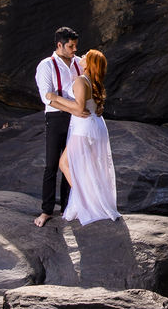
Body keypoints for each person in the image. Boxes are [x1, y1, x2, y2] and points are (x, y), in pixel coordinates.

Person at [40, 49, 119, 226]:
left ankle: (87, 200)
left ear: (89, 62)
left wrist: (54, 97)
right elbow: (92, 104)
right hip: (95, 125)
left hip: (84, 128)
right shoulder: (93, 80)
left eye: (85, 56)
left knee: (64, 163)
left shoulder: (81, 80)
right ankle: (93, 199)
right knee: (88, 166)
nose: (81, 56)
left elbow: (78, 108)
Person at [33, 27, 88, 226]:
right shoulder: (46, 66)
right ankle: (46, 210)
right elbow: (47, 99)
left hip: (76, 119)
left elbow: (90, 84)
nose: (74, 50)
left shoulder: (79, 63)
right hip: (56, 118)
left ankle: (67, 208)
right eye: (70, 46)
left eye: (75, 46)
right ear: (59, 45)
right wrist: (74, 109)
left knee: (70, 163)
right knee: (51, 165)